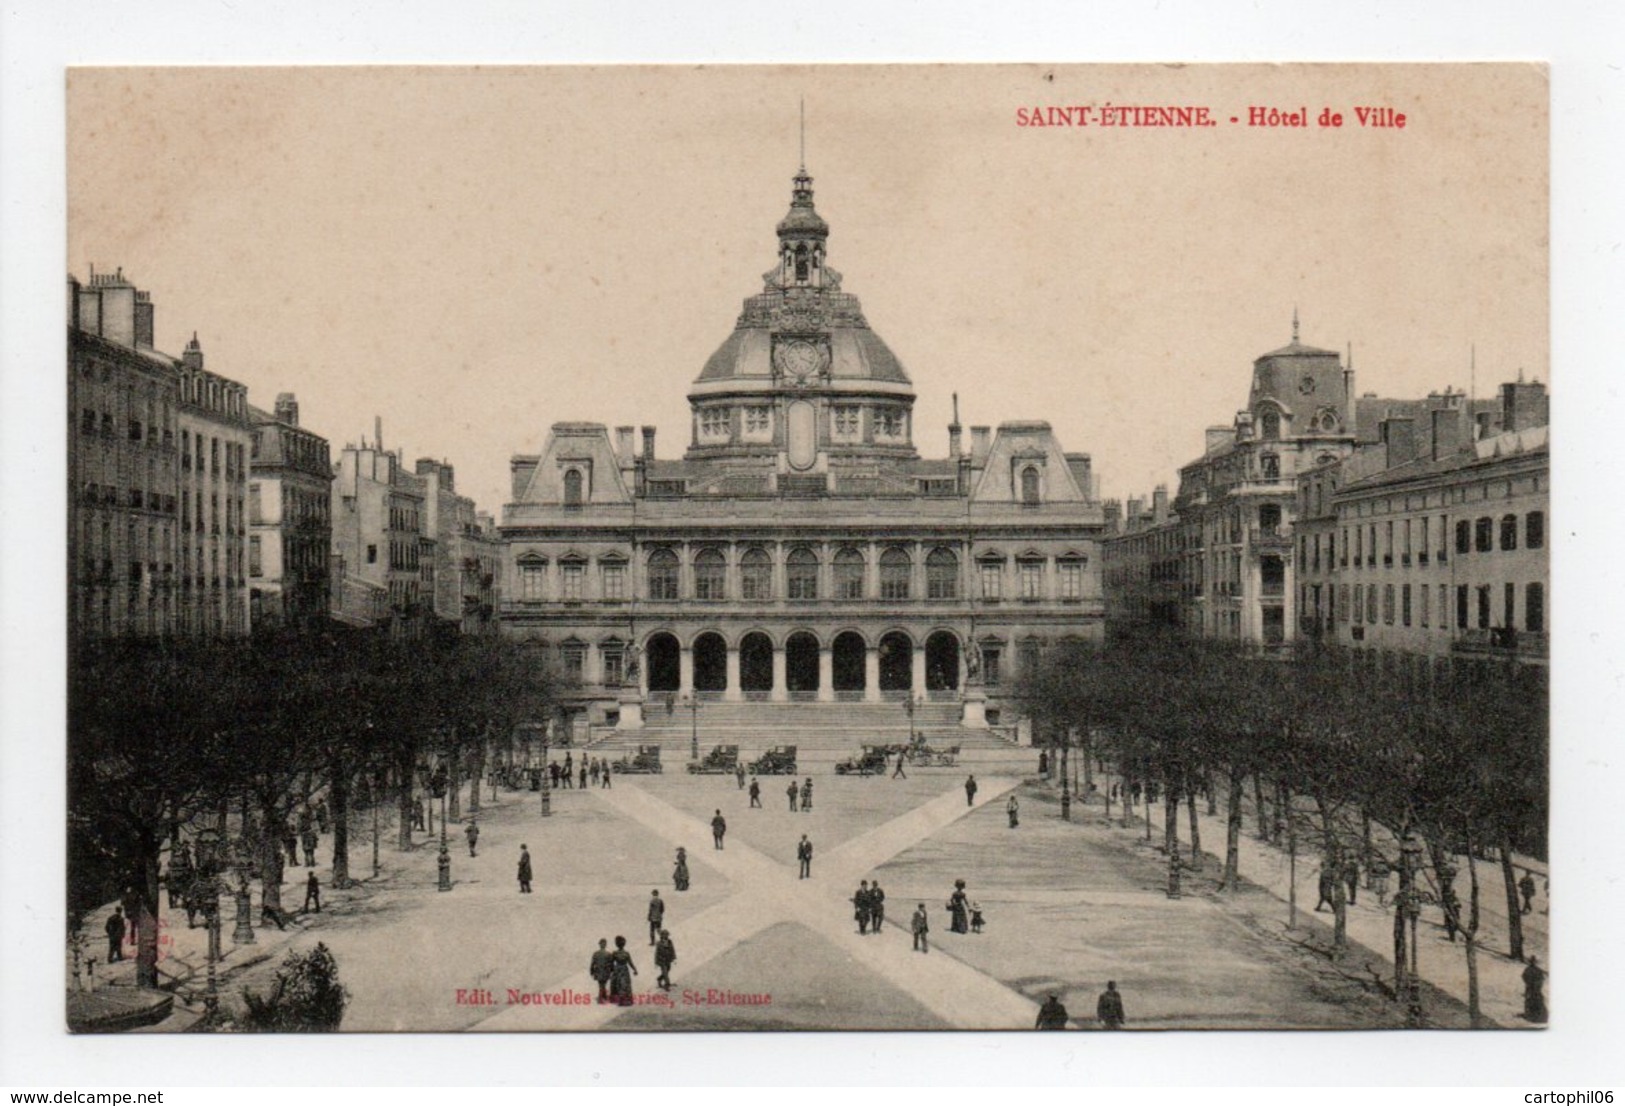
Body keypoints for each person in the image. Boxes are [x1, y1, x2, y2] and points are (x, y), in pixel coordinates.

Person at [608, 936, 638, 1005]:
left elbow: (611, 963)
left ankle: (621, 1000)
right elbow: (630, 963)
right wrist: (635, 970)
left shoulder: (615, 953)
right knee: (624, 985)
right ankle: (625, 1000)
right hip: (624, 969)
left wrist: (611, 971)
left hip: (618, 969)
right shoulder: (626, 953)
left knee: (620, 985)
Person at [1522, 955, 1548, 1023]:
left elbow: (1541, 979)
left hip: (1535, 988)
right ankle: (1531, 1016)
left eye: (1533, 961)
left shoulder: (1536, 970)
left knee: (1534, 1001)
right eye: (1531, 961)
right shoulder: (1529, 969)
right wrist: (1529, 983)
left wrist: (1536, 985)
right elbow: (1524, 977)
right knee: (1531, 1001)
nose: (1532, 963)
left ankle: (1537, 1017)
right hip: (1532, 988)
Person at [589, 938, 612, 1002]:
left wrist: (591, 971)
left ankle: (601, 997)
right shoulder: (609, 954)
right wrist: (611, 971)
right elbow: (611, 965)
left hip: (598, 972)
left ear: (600, 945)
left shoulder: (595, 953)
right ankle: (602, 997)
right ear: (605, 945)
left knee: (601, 984)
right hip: (606, 972)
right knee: (603, 984)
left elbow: (592, 964)